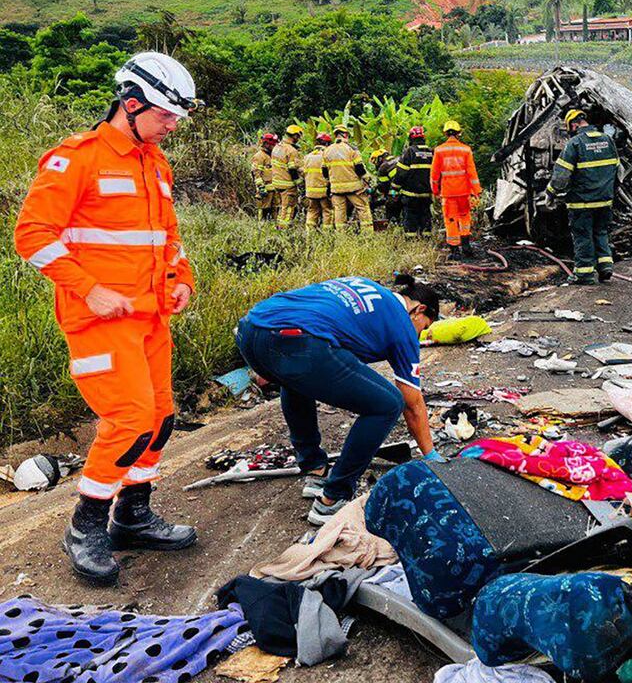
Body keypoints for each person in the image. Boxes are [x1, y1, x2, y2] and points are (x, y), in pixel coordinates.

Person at [13, 52, 201, 584]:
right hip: (99, 320)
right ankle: (85, 526)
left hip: (150, 317)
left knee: (160, 417)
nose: (172, 126)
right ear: (132, 103)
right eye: (166, 115)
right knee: (130, 420)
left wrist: (181, 277)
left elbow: (167, 237)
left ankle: (133, 516)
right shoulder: (78, 158)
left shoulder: (155, 164)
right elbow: (32, 236)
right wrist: (89, 290)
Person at [235, 275, 441, 525]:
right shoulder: (402, 325)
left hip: (251, 329)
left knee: (295, 379)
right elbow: (413, 403)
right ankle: (333, 499)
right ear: (418, 310)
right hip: (297, 340)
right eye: (424, 326)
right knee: (388, 404)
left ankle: (315, 470)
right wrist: (430, 456)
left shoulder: (364, 284)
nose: (419, 334)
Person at [546, 109, 619, 285]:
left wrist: (550, 193)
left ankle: (584, 274)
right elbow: (617, 170)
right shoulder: (608, 140)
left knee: (583, 235)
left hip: (582, 202)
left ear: (574, 124)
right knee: (601, 232)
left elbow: (561, 176)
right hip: (605, 200)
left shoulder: (575, 144)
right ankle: (605, 267)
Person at [430, 120, 481, 255]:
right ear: (459, 133)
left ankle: (454, 249)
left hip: (448, 193)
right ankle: (466, 245)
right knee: (464, 217)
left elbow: (434, 175)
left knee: (450, 219)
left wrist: (435, 190)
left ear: (446, 133)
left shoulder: (439, 150)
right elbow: (472, 172)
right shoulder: (466, 150)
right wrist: (476, 191)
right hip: (464, 192)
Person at [323, 125, 373, 233]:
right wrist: (368, 179)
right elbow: (360, 168)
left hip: (336, 188)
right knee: (363, 209)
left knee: (339, 212)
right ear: (345, 135)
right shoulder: (351, 149)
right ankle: (368, 234)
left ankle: (341, 236)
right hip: (353, 188)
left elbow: (324, 171)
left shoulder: (327, 150)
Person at [390, 126, 434, 238]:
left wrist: (394, 188)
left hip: (411, 194)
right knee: (425, 216)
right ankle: (426, 238)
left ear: (411, 137)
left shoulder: (409, 152)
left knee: (410, 217)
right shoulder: (431, 152)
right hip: (427, 194)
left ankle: (411, 240)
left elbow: (401, 173)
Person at [271, 124, 304, 227]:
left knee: (281, 207)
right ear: (294, 136)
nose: (298, 139)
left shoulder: (277, 147)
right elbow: (292, 168)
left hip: (276, 182)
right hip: (287, 184)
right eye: (298, 136)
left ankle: (278, 226)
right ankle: (284, 229)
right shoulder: (291, 150)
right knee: (288, 207)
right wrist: (299, 182)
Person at [301, 132, 331, 231]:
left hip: (310, 191)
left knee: (312, 211)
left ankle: (309, 232)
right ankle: (328, 233)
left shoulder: (307, 156)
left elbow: (303, 173)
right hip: (323, 191)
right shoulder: (326, 155)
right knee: (328, 211)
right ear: (327, 144)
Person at [252, 133, 277, 221]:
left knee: (275, 211)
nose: (274, 146)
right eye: (273, 144)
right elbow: (256, 173)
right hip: (265, 189)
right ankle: (261, 229)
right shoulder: (259, 156)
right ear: (266, 144)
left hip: (274, 189)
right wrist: (261, 187)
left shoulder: (273, 156)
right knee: (263, 211)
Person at [369, 148, 398, 225]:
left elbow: (383, 187)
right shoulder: (398, 158)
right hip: (411, 189)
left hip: (397, 192)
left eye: (375, 161)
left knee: (390, 204)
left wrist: (373, 193)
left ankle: (392, 224)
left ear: (380, 158)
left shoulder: (383, 167)